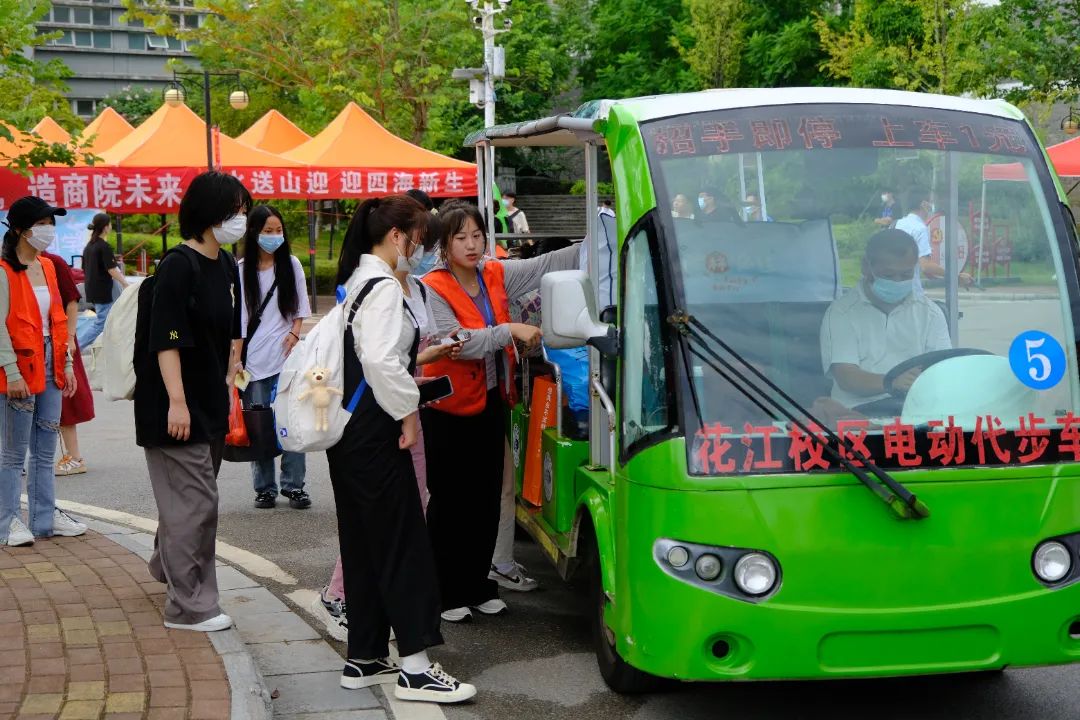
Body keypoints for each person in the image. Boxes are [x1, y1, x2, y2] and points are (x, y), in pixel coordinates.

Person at [328, 195, 475, 703]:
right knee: (403, 545)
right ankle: (415, 665)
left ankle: (365, 657)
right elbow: (381, 361)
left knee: (366, 545)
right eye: (420, 238)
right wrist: (409, 414)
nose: (422, 248)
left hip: (350, 433)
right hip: (378, 429)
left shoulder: (357, 283)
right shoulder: (384, 288)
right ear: (398, 237)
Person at [422, 201, 579, 622]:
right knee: (451, 501)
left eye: (477, 235)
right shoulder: (432, 287)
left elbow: (548, 263)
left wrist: (601, 237)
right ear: (444, 244)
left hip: (492, 400)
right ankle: (445, 592)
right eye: (460, 238)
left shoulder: (495, 272)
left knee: (487, 496)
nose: (472, 245)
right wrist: (509, 331)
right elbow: (457, 342)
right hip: (448, 407)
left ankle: (477, 585)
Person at [134, 171, 248, 632]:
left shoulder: (224, 263)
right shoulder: (179, 265)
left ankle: (168, 565)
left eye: (243, 211)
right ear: (207, 214)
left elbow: (224, 332)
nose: (241, 220)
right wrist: (176, 402)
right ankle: (189, 607)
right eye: (233, 212)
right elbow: (167, 340)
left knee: (188, 501)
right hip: (173, 405)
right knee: (197, 503)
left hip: (209, 400)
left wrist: (230, 376)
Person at [0, 196, 85, 547]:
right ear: (20, 229)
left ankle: (44, 517)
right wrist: (11, 371)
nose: (49, 230)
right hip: (19, 365)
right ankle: (8, 522)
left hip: (50, 362)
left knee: (46, 446)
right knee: (13, 452)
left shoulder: (49, 266)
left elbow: (57, 320)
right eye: (42, 224)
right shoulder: (3, 270)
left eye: (52, 223)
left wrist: (65, 364)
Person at [232, 205, 312, 510]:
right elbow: (238, 320)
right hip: (253, 363)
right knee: (260, 426)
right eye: (268, 231)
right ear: (253, 233)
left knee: (292, 423)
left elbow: (300, 308)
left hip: (287, 360)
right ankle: (264, 488)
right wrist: (236, 359)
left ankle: (294, 486)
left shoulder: (291, 265)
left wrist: (294, 334)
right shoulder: (241, 271)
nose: (274, 236)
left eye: (279, 231)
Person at [820, 229, 951, 410]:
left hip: (915, 412)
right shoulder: (841, 313)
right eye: (888, 275)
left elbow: (943, 369)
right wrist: (891, 382)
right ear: (866, 267)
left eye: (906, 275)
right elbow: (846, 376)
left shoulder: (930, 313)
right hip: (857, 417)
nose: (897, 281)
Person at [42, 249, 94, 476]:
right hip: (29, 342)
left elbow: (71, 302)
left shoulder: (53, 261)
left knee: (65, 400)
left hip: (58, 339)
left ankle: (74, 456)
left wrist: (69, 337)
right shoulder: (11, 261)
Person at [76, 213, 129, 349]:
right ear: (105, 227)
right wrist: (125, 283)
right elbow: (111, 269)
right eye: (110, 224)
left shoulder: (89, 246)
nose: (110, 227)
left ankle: (114, 348)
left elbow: (84, 269)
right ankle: (75, 349)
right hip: (104, 291)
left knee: (112, 320)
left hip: (93, 290)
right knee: (101, 323)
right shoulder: (103, 246)